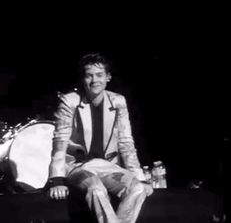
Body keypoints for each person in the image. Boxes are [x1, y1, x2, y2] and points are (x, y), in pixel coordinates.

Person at [48, 53, 153, 223]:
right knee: (96, 189)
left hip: (108, 166)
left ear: (108, 77)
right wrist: (57, 179)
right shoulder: (69, 101)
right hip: (78, 166)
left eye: (99, 75)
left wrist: (138, 176)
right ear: (83, 78)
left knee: (139, 189)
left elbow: (126, 142)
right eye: (89, 75)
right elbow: (59, 143)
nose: (94, 80)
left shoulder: (118, 101)